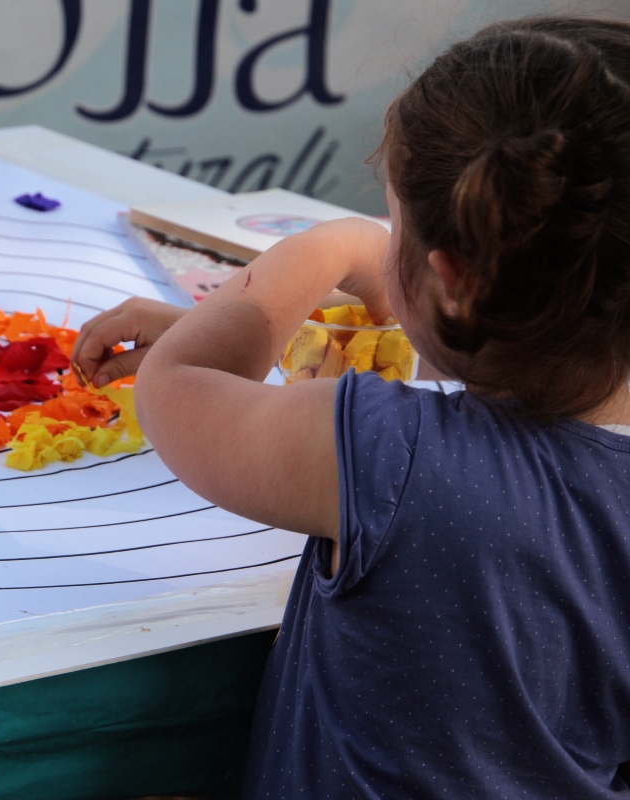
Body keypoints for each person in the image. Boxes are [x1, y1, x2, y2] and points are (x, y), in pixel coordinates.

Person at [72, 17, 630, 798]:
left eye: (392, 220)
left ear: (451, 282)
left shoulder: (389, 457)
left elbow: (179, 385)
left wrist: (330, 246)